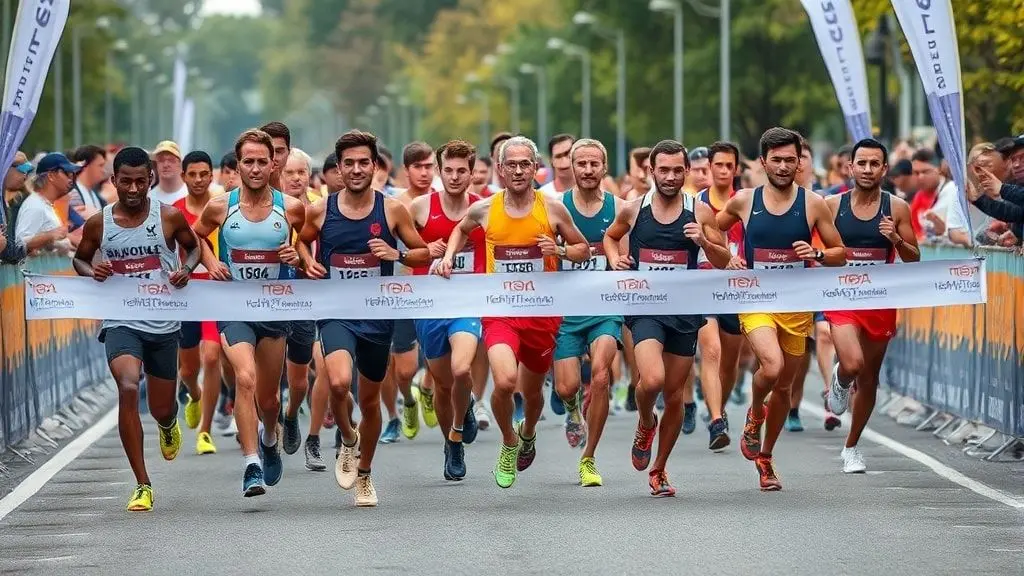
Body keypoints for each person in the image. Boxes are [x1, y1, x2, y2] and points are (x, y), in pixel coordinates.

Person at [436, 135, 590, 489]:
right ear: (501, 169)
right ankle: (508, 441)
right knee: (505, 381)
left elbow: (583, 248)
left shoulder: (552, 208)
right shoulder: (486, 208)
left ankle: (528, 432)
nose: (519, 171)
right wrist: (447, 257)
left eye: (526, 164)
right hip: (500, 311)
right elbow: (461, 229)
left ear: (536, 169)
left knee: (532, 394)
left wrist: (561, 251)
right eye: (512, 165)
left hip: (542, 313)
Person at [297, 129, 431, 506]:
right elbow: (301, 242)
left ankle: (366, 476)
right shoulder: (322, 209)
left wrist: (396, 254)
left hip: (377, 315)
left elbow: (423, 253)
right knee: (339, 383)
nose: (356, 170)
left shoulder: (391, 210)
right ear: (338, 169)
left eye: (364, 163)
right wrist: (308, 262)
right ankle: (348, 439)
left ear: (375, 166)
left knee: (370, 402)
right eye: (349, 163)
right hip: (336, 313)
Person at [71, 146, 201, 512]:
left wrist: (185, 270)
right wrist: (92, 270)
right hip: (120, 320)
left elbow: (193, 249)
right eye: (125, 181)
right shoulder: (99, 223)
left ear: (150, 180)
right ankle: (142, 484)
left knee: (161, 407)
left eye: (140, 181)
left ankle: (167, 422)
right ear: (114, 181)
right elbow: (81, 258)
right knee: (128, 387)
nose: (132, 188)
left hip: (162, 322)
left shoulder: (170, 217)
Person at [717, 127, 846, 491]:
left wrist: (818, 253)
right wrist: (728, 255)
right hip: (756, 300)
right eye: (777, 160)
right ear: (763, 162)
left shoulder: (813, 203)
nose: (785, 166)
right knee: (770, 367)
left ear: (800, 162)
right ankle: (754, 413)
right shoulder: (744, 200)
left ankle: (766, 458)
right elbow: (713, 229)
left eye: (791, 159)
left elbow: (840, 254)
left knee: (786, 389)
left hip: (797, 307)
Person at [604, 139, 731, 496]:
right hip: (645, 308)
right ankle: (646, 421)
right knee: (654, 379)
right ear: (652, 171)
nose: (671, 177)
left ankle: (659, 469)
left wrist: (704, 243)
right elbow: (611, 237)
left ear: (686, 171)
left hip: (685, 312)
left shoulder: (699, 211)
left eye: (678, 170)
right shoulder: (634, 209)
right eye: (664, 170)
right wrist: (616, 259)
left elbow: (725, 260)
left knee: (675, 396)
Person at [192, 129, 306, 497]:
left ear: (273, 162)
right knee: (245, 379)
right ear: (237, 165)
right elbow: (194, 237)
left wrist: (295, 256)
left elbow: (304, 246)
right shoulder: (220, 206)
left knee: (270, 399)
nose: (255, 169)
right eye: (248, 162)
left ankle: (269, 436)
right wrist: (210, 261)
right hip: (234, 305)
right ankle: (251, 464)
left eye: (262, 161)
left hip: (274, 308)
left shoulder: (290, 207)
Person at [824, 138, 920, 472]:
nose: (867, 169)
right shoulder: (833, 206)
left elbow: (914, 257)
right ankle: (839, 376)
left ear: (884, 168)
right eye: (861, 163)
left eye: (873, 164)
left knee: (869, 378)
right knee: (853, 363)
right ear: (850, 167)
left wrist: (895, 239)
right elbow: (818, 252)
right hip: (842, 297)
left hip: (880, 301)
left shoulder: (897, 208)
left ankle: (851, 447)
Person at [408, 140, 485, 480]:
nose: (454, 177)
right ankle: (450, 443)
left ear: (472, 173)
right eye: (448, 170)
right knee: (441, 385)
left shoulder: (485, 208)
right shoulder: (419, 208)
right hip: (429, 306)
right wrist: (426, 250)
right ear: (439, 171)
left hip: (468, 303)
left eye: (461, 171)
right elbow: (399, 253)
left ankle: (460, 421)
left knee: (461, 368)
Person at [551, 138, 625, 487]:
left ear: (604, 167)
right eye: (581, 163)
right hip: (566, 312)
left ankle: (589, 457)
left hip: (606, 308)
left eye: (594, 163)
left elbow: (626, 256)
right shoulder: (555, 206)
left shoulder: (620, 208)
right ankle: (572, 410)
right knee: (566, 387)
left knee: (600, 375)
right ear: (571, 167)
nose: (588, 170)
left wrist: (620, 262)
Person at [381, 142, 437, 444]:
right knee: (403, 371)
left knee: (443, 359)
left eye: (430, 166)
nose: (425, 173)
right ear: (406, 171)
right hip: (403, 292)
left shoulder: (444, 202)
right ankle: (410, 401)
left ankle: (427, 388)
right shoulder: (395, 205)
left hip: (439, 293)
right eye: (418, 167)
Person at [695, 141, 746, 450]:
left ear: (736, 169)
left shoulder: (747, 203)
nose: (724, 170)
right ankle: (716, 421)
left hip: (736, 290)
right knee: (711, 351)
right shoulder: (696, 204)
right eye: (719, 165)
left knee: (730, 362)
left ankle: (720, 408)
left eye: (730, 165)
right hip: (703, 286)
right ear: (709, 168)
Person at [170, 152, 216, 451]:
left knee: (212, 356)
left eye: (204, 174)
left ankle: (205, 431)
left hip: (215, 291)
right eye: (193, 174)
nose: (198, 180)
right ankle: (195, 395)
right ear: (184, 176)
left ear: (211, 176)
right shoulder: (173, 212)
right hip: (184, 293)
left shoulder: (221, 208)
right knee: (187, 370)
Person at [14, 153, 78, 256]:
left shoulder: (44, 204)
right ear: (51, 176)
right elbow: (20, 244)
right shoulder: (35, 205)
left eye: (72, 175)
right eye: (67, 173)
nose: (71, 179)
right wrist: (50, 235)